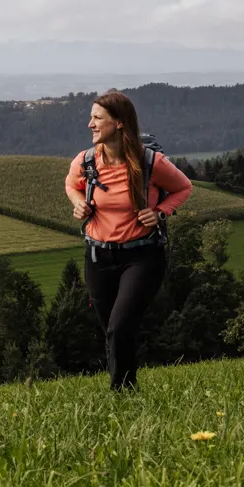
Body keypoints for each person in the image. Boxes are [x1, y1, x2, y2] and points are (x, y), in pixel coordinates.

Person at [64, 91, 192, 390]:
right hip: (98, 257)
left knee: (120, 327)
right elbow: (71, 184)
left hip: (141, 256)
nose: (90, 124)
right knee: (112, 330)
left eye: (97, 118)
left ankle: (121, 393)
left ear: (119, 123)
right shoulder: (86, 161)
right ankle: (126, 388)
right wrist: (79, 203)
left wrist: (160, 212)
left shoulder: (150, 162)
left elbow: (183, 187)